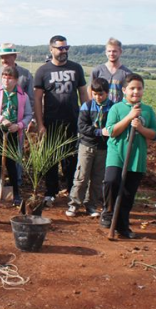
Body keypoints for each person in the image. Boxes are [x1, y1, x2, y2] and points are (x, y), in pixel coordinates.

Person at [99, 73, 156, 239]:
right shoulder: (117, 108)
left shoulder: (147, 111)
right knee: (111, 181)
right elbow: (111, 131)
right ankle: (108, 211)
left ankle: (122, 226)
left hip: (136, 156)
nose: (136, 92)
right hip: (117, 153)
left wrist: (140, 128)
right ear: (124, 90)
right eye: (132, 88)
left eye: (139, 88)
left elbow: (154, 134)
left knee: (127, 193)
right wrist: (130, 117)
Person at [33, 35, 88, 206]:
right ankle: (51, 192)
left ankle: (72, 191)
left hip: (73, 120)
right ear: (51, 49)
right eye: (60, 48)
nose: (64, 51)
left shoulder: (76, 68)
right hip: (51, 122)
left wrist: (87, 118)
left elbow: (83, 94)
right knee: (50, 158)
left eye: (66, 48)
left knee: (71, 157)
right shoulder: (43, 71)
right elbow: (37, 100)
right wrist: (40, 124)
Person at [0, 66, 32, 205]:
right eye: (4, 77)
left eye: (10, 78)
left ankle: (15, 192)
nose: (6, 80)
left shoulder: (23, 96)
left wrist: (19, 125)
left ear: (16, 80)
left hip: (13, 132)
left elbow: (28, 115)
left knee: (11, 163)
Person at [65, 77, 113, 217]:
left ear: (107, 93)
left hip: (103, 148)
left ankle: (91, 205)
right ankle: (74, 204)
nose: (98, 97)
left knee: (98, 179)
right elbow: (82, 127)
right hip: (86, 146)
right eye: (95, 94)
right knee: (81, 177)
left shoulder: (112, 107)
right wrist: (98, 131)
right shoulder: (87, 106)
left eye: (101, 94)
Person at [0, 43, 34, 113]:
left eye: (6, 57)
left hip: (20, 120)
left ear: (15, 56)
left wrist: (31, 119)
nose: (4, 60)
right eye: (2, 57)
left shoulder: (25, 75)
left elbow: (31, 99)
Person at [89, 38, 132, 103]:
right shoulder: (97, 71)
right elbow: (90, 90)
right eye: (109, 51)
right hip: (100, 110)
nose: (111, 54)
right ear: (106, 52)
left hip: (118, 111)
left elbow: (130, 94)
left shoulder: (127, 73)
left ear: (120, 52)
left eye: (114, 51)